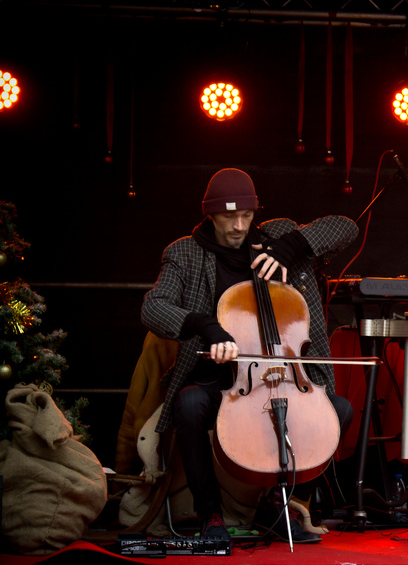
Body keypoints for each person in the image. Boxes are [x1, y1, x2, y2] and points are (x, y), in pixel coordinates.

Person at [141, 168, 358, 542]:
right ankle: (210, 513)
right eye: (228, 217)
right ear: (210, 214)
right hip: (220, 381)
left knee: (338, 411)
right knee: (189, 405)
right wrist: (205, 326)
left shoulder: (276, 236)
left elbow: (345, 227)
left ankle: (275, 501)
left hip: (285, 377)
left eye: (245, 215)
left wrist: (294, 246)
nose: (239, 226)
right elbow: (152, 307)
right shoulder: (185, 254)